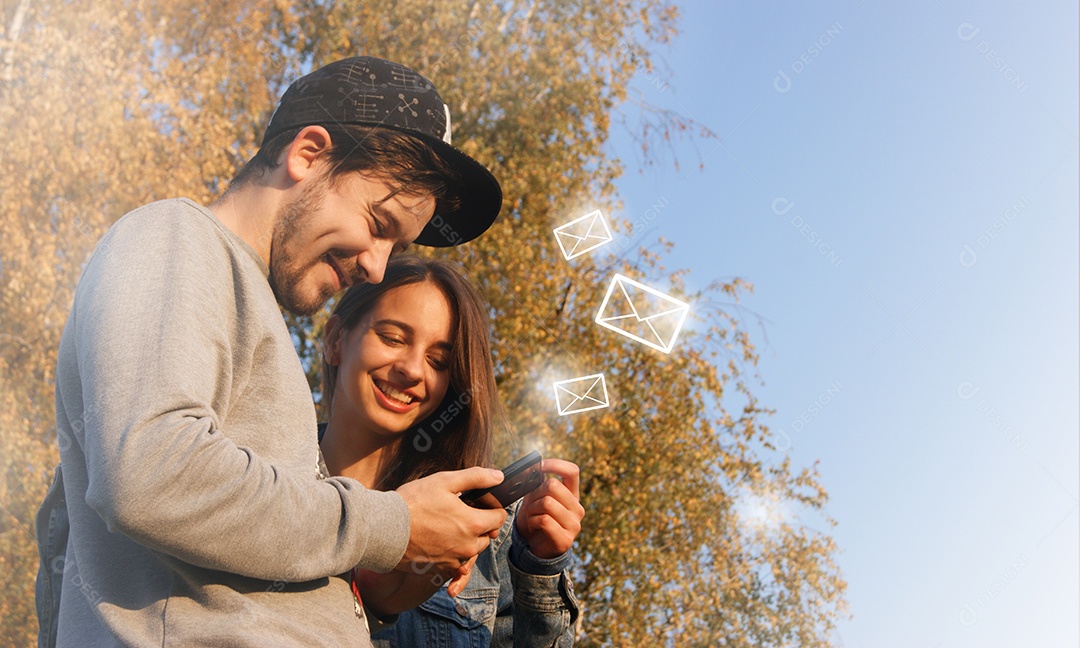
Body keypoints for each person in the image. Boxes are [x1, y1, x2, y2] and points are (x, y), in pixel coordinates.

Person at [36, 56, 511, 648]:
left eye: (397, 245)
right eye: (378, 222)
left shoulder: (243, 303)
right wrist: (392, 523)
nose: (376, 266)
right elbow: (150, 474)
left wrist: (374, 591)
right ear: (308, 154)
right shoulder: (173, 237)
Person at [317, 256, 582, 646]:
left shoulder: (484, 529)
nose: (413, 369)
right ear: (335, 339)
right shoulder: (260, 477)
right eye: (392, 338)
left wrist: (537, 568)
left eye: (438, 361)